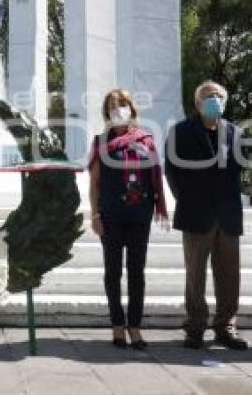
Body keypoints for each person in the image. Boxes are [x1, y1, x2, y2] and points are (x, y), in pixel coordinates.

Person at [165, 80, 248, 350]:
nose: (215, 100)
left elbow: (240, 169)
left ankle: (226, 326)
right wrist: (187, 200)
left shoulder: (235, 132)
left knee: (229, 274)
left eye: (219, 96)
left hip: (228, 215)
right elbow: (172, 171)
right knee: (195, 275)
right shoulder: (180, 131)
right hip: (195, 213)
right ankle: (195, 327)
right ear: (198, 103)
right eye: (209, 96)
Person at [88, 89, 168, 349]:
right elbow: (95, 183)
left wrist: (158, 205)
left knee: (137, 273)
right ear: (106, 112)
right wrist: (95, 214)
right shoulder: (100, 142)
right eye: (111, 105)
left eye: (121, 104)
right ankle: (117, 326)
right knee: (112, 273)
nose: (117, 109)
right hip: (110, 216)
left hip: (139, 215)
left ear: (131, 108)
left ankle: (134, 327)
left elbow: (154, 175)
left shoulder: (146, 139)